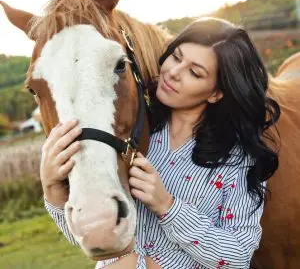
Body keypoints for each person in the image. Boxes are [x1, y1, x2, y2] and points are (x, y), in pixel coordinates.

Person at [41, 17, 280, 269]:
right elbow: (94, 237)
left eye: (194, 72)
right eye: (176, 57)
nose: (173, 73)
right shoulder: (127, 134)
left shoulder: (237, 159)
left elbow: (238, 256)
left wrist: (168, 206)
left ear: (216, 93)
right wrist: (53, 190)